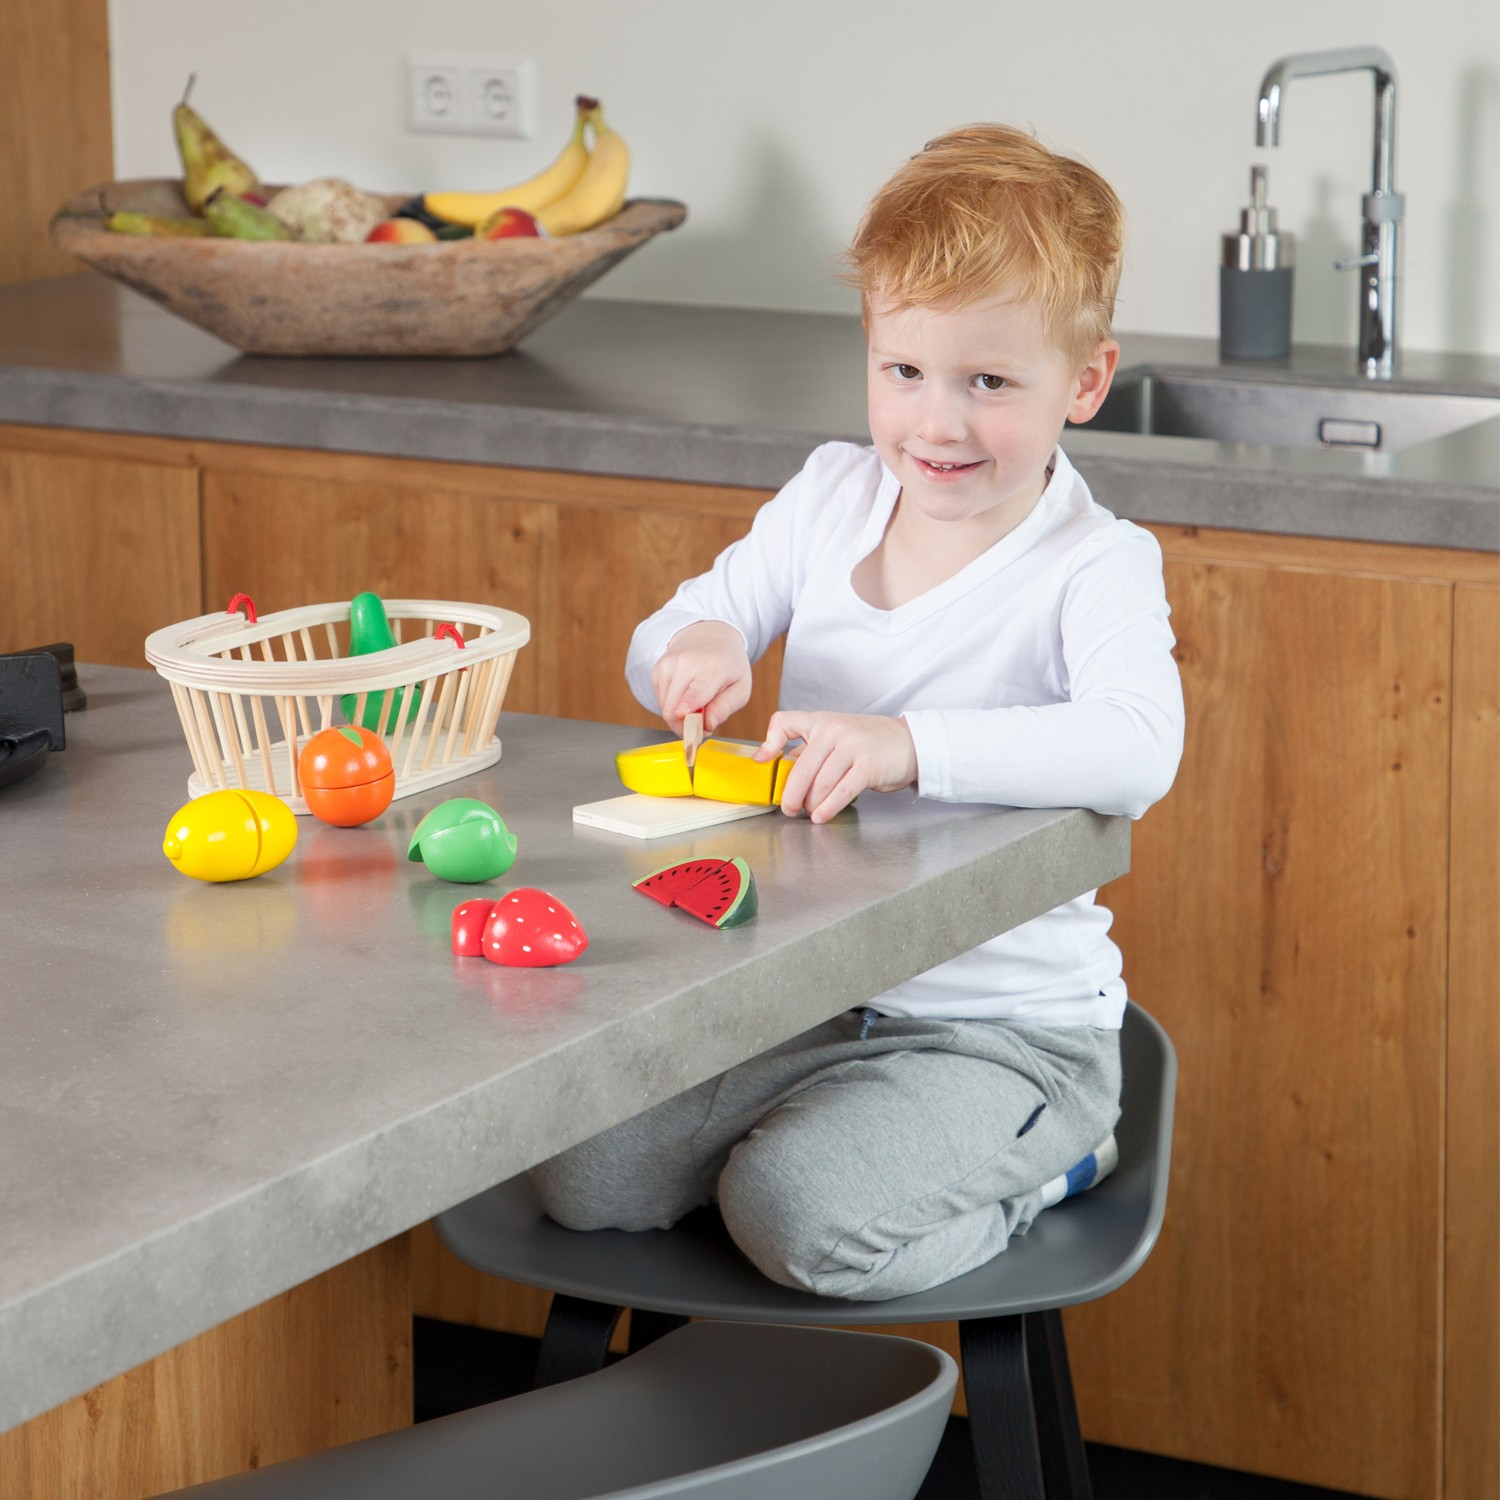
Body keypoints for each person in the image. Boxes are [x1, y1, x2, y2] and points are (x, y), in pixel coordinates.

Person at [530, 123, 1185, 1301]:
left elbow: (1139, 745)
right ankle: (816, 1138)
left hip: (1007, 1035)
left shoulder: (1096, 564)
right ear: (871, 356)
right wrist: (702, 651)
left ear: (1083, 383)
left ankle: (1051, 1159)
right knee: (582, 1173)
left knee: (796, 1214)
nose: (936, 424)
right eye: (906, 373)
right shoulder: (830, 495)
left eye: (989, 382)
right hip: (809, 996)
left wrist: (905, 746)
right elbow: (673, 632)